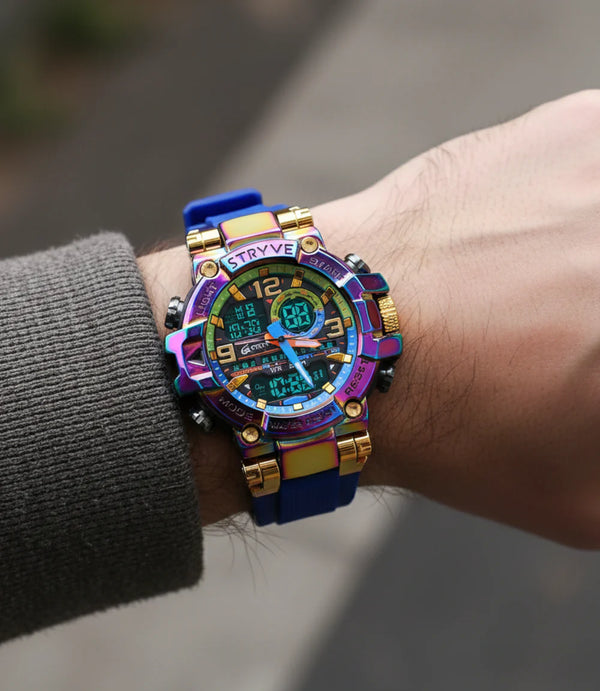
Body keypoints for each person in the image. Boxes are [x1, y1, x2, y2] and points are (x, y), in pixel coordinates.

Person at [1, 90, 600, 643]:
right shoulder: (220, 353)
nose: (283, 342)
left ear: (374, 315)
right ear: (186, 353)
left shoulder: (348, 323)